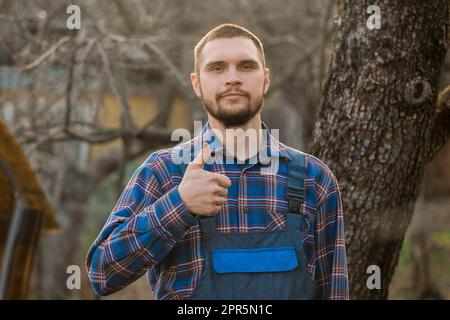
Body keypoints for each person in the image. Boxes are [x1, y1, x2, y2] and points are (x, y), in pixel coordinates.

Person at [86, 23, 349, 300]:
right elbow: (103, 274)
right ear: (197, 84)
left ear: (266, 79)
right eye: (217, 68)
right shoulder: (164, 171)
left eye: (246, 66)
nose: (232, 78)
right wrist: (179, 204)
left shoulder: (314, 178)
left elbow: (335, 291)